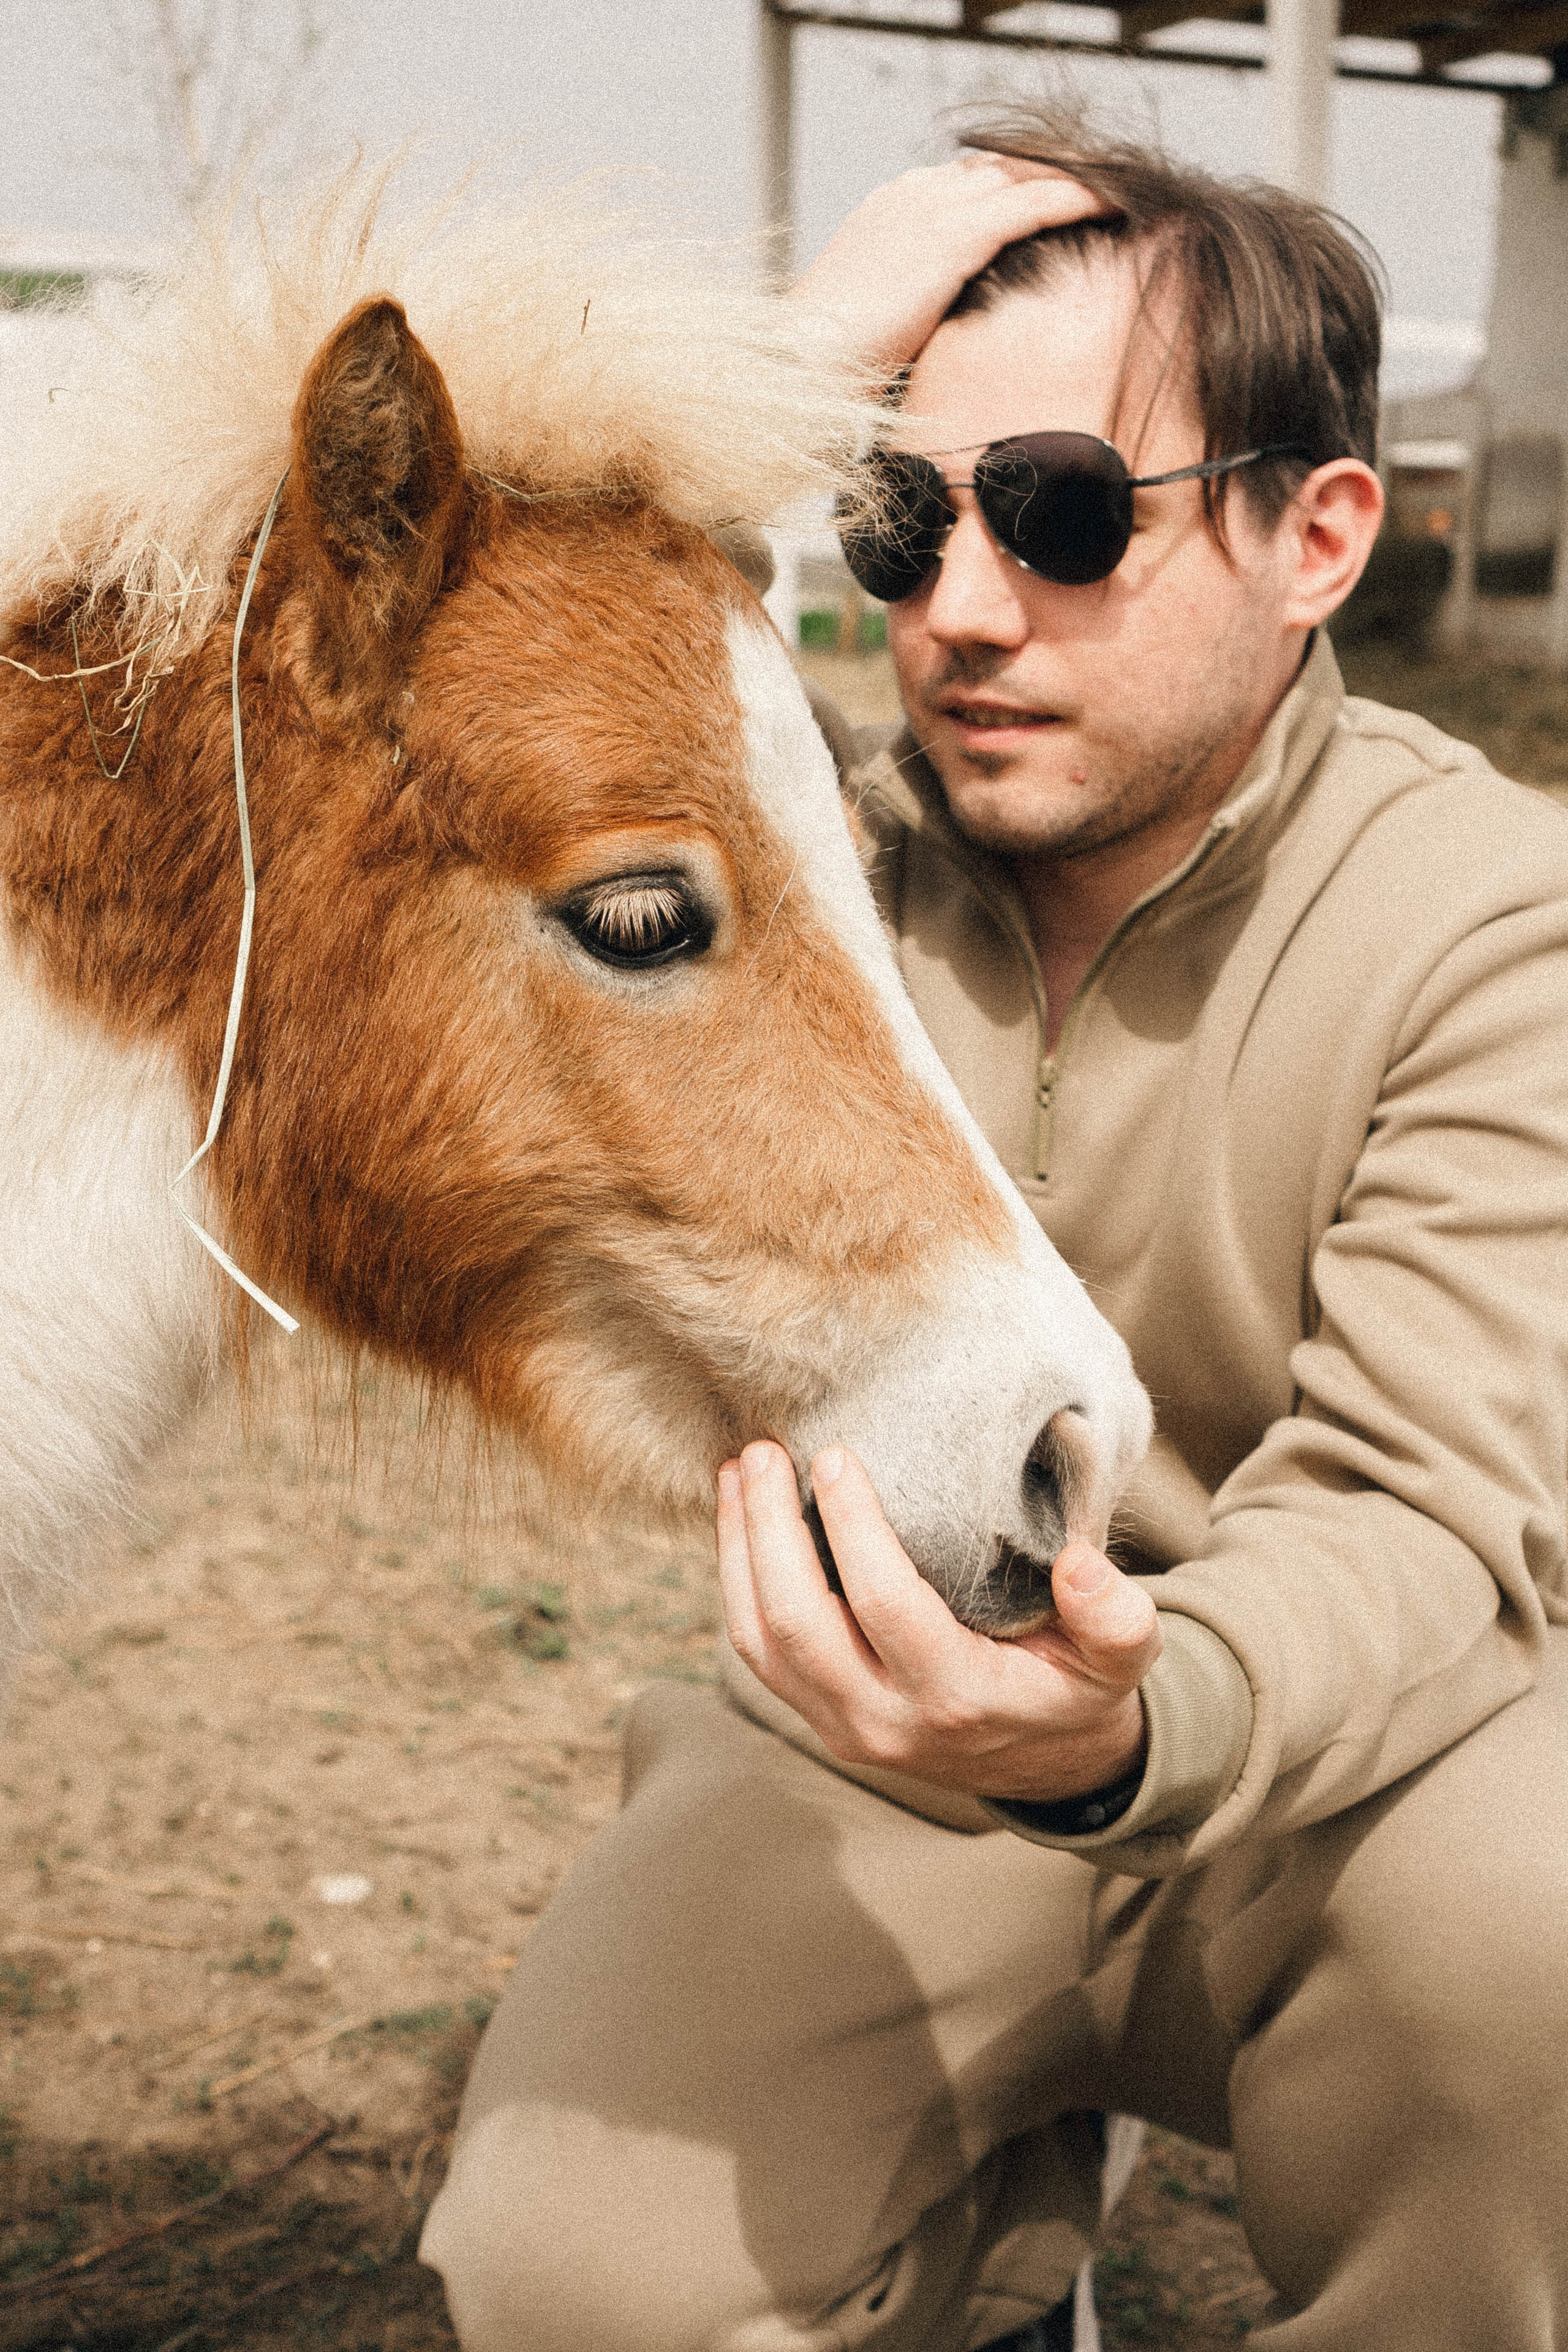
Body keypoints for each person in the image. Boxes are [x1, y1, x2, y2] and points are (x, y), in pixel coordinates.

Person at [421, 108, 1568, 2352]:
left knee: (1540, 1961)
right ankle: (998, 2277)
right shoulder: (796, 873)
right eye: (894, 509)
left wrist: (1130, 1730)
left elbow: (1430, 1511)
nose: (953, 608)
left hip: (1358, 1767)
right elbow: (395, 614)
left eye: (1058, 512)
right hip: (872, 1746)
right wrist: (770, 371)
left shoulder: (1502, 929)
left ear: (1323, 531)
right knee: (568, 2286)